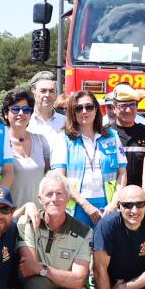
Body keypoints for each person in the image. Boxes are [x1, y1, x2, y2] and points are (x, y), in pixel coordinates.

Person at [51, 89, 127, 228]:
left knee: (105, 249)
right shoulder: (63, 138)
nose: (84, 111)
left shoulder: (112, 136)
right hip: (76, 206)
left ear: (96, 109)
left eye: (89, 107)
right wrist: (86, 206)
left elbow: (122, 173)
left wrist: (113, 204)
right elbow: (59, 176)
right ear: (72, 113)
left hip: (108, 207)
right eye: (78, 108)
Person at [2, 88, 50, 211]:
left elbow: (49, 176)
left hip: (39, 216)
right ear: (6, 114)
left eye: (26, 109)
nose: (21, 113)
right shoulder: (0, 143)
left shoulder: (41, 140)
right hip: (10, 216)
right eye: (15, 109)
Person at [107, 83, 145, 181]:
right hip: (114, 193)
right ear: (114, 108)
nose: (128, 110)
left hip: (141, 193)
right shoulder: (105, 133)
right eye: (123, 106)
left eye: (132, 105)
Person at [27, 71, 66, 140]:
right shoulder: (25, 118)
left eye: (51, 91)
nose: (47, 95)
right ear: (33, 92)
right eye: (43, 91)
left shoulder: (66, 120)